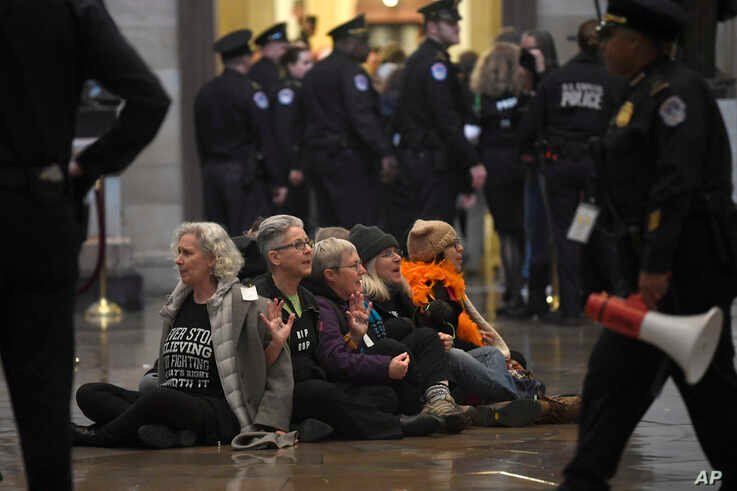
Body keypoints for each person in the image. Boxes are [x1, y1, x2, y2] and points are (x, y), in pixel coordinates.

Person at [559, 1, 737, 489]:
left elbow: (674, 185)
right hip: (656, 264)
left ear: (637, 43)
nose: (602, 43)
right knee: (630, 381)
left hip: (688, 264)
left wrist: (655, 265)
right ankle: (584, 477)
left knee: (688, 385)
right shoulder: (637, 92)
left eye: (611, 35)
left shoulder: (677, 93)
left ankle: (584, 478)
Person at [0, 1, 170, 488]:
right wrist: (85, 168)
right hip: (34, 213)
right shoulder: (68, 8)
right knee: (43, 398)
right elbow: (149, 98)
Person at [72, 222, 296, 450]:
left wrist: (272, 422)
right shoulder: (178, 303)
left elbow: (278, 375)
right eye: (178, 252)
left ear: (212, 259)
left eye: (187, 253)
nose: (178, 260)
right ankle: (168, 434)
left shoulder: (247, 305)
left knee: (158, 399)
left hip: (217, 410)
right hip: (172, 402)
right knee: (91, 393)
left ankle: (95, 438)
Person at [350, 224, 560, 427]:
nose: (397, 257)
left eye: (396, 251)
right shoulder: (375, 298)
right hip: (416, 369)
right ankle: (524, 394)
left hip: (434, 358)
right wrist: (439, 336)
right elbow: (402, 339)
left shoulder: (404, 293)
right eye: (387, 254)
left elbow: (432, 333)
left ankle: (493, 402)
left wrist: (445, 338)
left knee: (492, 354)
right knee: (463, 356)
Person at [254, 215, 441, 440]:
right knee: (323, 393)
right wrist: (275, 344)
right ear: (275, 257)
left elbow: (326, 357)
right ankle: (397, 426)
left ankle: (320, 426)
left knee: (382, 394)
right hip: (282, 392)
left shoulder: (307, 298)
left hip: (320, 379)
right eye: (297, 245)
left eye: (307, 243)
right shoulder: (257, 299)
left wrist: (353, 337)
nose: (307, 251)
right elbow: (246, 370)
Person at [400, 220, 581, 424]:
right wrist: (445, 339)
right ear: (437, 253)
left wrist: (476, 340)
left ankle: (503, 399)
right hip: (437, 371)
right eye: (453, 245)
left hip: (457, 361)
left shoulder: (449, 286)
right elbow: (425, 339)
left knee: (493, 352)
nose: (461, 249)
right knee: (459, 355)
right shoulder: (416, 289)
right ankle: (527, 396)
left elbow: (457, 334)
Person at [519, 20, 627, 325]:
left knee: (566, 236)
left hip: (560, 168)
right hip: (596, 170)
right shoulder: (613, 80)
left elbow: (529, 125)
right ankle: (609, 302)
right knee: (599, 232)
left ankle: (570, 308)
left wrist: (529, 150)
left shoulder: (556, 80)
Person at [308, 238, 467, 433]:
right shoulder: (325, 306)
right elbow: (336, 359)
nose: (362, 271)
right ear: (330, 275)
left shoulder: (350, 298)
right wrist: (385, 365)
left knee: (427, 338)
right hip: (355, 381)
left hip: (381, 371)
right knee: (392, 363)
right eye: (354, 265)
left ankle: (440, 400)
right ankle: (429, 407)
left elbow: (359, 344)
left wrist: (357, 336)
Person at [390, 0, 486, 242]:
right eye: (451, 23)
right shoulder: (434, 65)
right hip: (432, 161)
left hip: (421, 157)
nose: (458, 28)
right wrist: (472, 161)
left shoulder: (423, 59)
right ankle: (429, 281)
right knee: (433, 235)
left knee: (426, 231)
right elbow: (446, 118)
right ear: (432, 26)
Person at [301, 14, 398, 227]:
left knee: (328, 224)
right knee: (357, 224)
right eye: (364, 43)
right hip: (350, 160)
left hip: (320, 157)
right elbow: (362, 117)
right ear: (350, 43)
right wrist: (384, 151)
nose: (368, 49)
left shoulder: (313, 73)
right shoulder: (352, 73)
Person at [194, 29, 286, 235]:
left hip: (213, 172)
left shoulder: (205, 92)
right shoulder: (250, 90)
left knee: (218, 235)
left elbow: (200, 138)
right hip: (243, 173)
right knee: (245, 234)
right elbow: (264, 136)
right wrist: (276, 180)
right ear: (246, 58)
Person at [471, 42, 535, 317]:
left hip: (493, 164)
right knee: (524, 229)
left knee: (505, 230)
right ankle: (525, 289)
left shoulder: (481, 96)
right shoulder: (523, 95)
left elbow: (473, 132)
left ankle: (512, 290)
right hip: (520, 163)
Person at [274, 46, 314, 230]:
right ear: (290, 65)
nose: (310, 67)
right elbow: (286, 132)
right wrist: (294, 165)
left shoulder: (303, 88)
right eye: (305, 63)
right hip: (291, 165)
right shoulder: (288, 92)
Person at [249, 23, 289, 97]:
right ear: (268, 48)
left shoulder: (278, 66)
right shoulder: (261, 70)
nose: (285, 52)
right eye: (283, 48)